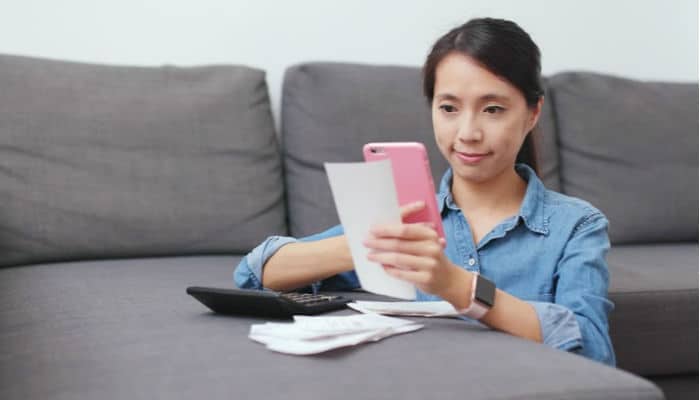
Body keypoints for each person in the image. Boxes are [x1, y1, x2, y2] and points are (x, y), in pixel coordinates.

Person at [234, 17, 615, 367]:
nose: (467, 132)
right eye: (449, 108)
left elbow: (592, 348)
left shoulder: (576, 225)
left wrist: (455, 285)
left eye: (493, 109)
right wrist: (370, 245)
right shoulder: (406, 218)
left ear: (532, 114)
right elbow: (254, 273)